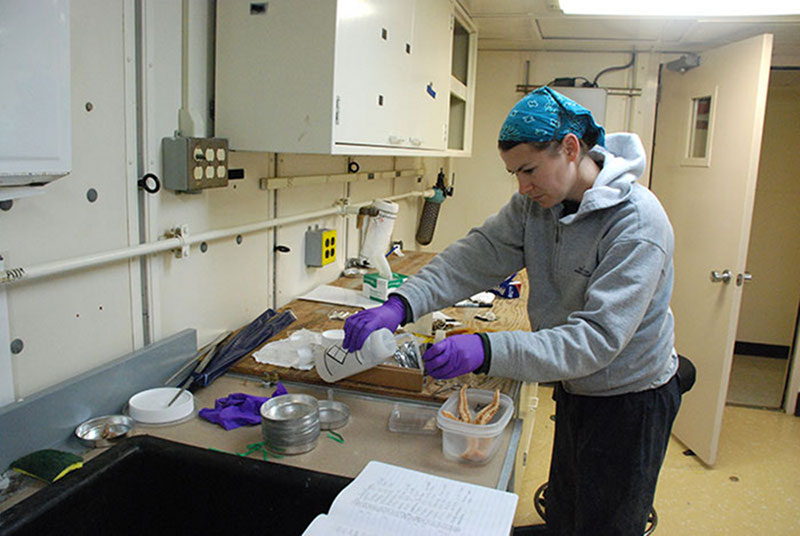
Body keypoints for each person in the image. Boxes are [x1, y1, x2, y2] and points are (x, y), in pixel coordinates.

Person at [342, 86, 683, 536]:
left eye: (528, 170)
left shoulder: (638, 224)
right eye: (513, 173)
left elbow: (596, 340)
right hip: (577, 383)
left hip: (629, 397)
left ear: (570, 148)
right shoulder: (535, 205)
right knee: (566, 509)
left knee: (607, 524)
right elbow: (475, 256)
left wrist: (486, 349)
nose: (521, 187)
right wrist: (403, 302)